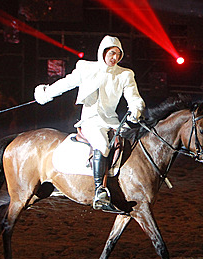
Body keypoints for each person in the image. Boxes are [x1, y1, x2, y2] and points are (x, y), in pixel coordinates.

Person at [33, 35, 145, 213]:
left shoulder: (125, 74)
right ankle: (100, 191)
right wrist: (46, 94)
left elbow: (134, 97)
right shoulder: (86, 68)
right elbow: (66, 84)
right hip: (91, 120)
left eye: (117, 54)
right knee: (102, 144)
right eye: (111, 53)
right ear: (103, 52)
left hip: (113, 121)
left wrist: (136, 110)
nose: (114, 57)